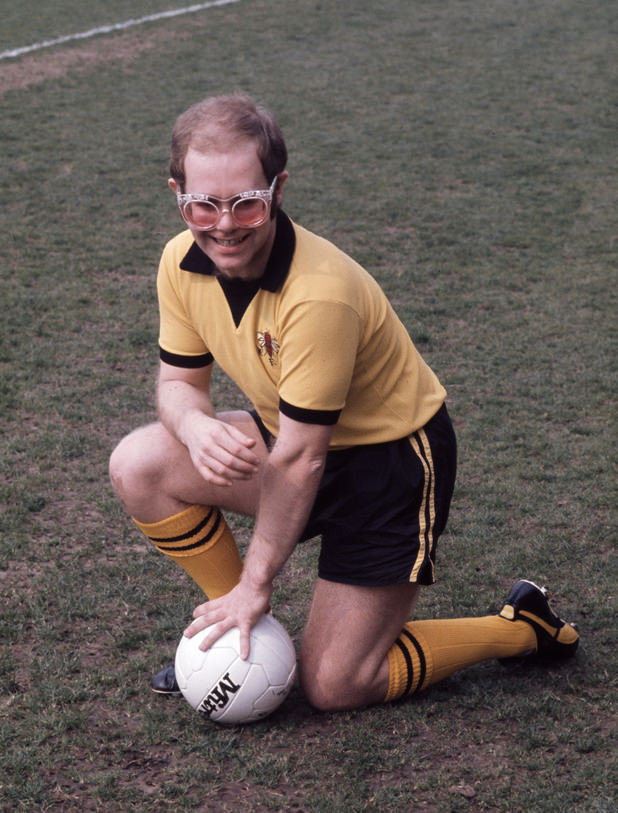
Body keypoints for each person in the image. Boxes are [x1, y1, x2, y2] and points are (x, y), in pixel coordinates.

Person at [109, 93, 579, 711]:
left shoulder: (318, 295)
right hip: (293, 441)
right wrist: (194, 424)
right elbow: (177, 386)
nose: (223, 224)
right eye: (204, 204)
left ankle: (519, 628)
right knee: (139, 463)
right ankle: (236, 636)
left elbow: (301, 461)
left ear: (277, 189)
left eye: (246, 203)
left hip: (390, 467)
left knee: (336, 685)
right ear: (178, 193)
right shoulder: (180, 260)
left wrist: (259, 580)